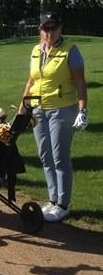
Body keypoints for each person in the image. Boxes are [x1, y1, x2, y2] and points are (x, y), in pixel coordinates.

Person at [21, 12, 88, 222]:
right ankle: (52, 199)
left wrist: (82, 109)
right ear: (40, 30)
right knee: (45, 156)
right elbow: (31, 81)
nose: (50, 32)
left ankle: (63, 204)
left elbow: (80, 82)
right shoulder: (35, 50)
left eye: (54, 28)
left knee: (60, 157)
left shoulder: (70, 51)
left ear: (60, 28)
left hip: (62, 109)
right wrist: (23, 107)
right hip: (38, 109)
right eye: (46, 28)